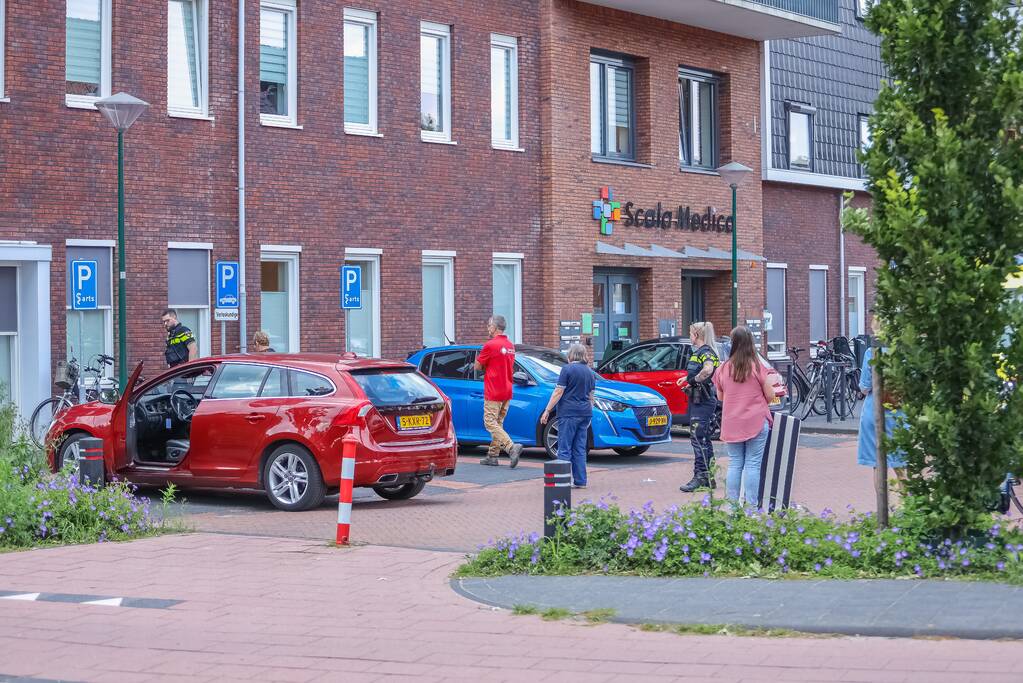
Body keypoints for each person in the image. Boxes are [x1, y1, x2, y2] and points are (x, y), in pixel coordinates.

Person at [714, 325, 775, 508]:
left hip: (732, 422)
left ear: (732, 344)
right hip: (756, 421)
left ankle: (732, 508)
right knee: (753, 465)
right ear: (750, 343)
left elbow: (720, 397)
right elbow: (771, 395)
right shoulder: (757, 366)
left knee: (735, 464)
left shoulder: (723, 369)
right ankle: (751, 508)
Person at [857, 314, 907, 488]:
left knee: (878, 465)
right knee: (901, 464)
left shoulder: (872, 352)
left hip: (874, 411)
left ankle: (882, 508)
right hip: (898, 413)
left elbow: (864, 386)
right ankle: (905, 505)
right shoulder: (904, 352)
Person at [541, 343, 596, 488]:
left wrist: (547, 410)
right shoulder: (590, 372)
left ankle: (562, 481)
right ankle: (580, 481)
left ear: (571, 355)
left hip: (568, 413)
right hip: (585, 413)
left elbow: (559, 392)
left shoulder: (567, 369)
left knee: (564, 448)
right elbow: (591, 396)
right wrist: (589, 414)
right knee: (579, 448)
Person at [473, 315, 523, 468]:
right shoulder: (510, 345)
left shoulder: (490, 345)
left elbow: (477, 366)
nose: (488, 328)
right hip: (507, 389)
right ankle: (493, 455)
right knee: (498, 423)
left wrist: (486, 367)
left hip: (493, 390)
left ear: (494, 327)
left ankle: (510, 447)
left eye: (489, 325)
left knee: (489, 422)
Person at [677, 321, 720, 492]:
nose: (689, 337)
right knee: (703, 438)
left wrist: (693, 381)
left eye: (690, 333)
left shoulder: (706, 352)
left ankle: (701, 476)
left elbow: (708, 370)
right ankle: (708, 476)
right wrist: (687, 381)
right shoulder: (698, 353)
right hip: (698, 399)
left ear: (696, 335)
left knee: (698, 438)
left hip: (703, 401)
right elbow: (699, 373)